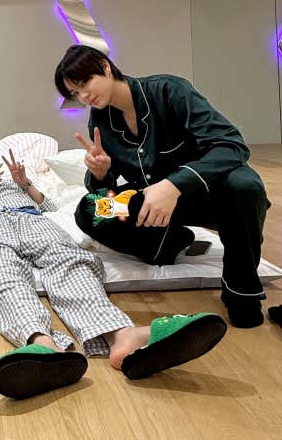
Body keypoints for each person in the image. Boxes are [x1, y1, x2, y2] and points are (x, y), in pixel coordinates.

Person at [0, 148, 226, 400]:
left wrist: (24, 183)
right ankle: (43, 346)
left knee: (70, 261)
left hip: (32, 219)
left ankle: (122, 336)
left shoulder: (12, 182)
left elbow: (50, 208)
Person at [54, 44, 271, 329]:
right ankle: (170, 242)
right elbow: (103, 187)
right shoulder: (100, 118)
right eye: (75, 93)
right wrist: (101, 173)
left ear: (105, 67)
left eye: (84, 83)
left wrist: (174, 184)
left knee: (245, 184)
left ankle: (241, 291)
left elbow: (231, 145)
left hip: (206, 195)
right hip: (152, 205)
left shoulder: (170, 91)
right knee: (92, 208)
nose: (83, 97)